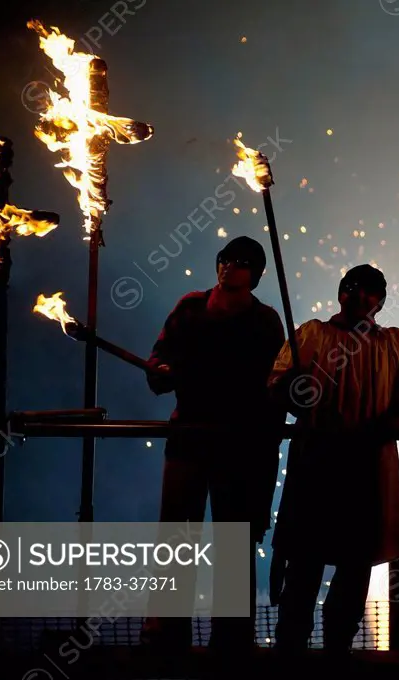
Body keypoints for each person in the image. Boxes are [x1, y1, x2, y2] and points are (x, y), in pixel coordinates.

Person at [267, 264, 399, 659]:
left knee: (354, 567)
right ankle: (290, 651)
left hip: (367, 464)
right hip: (315, 461)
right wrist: (294, 390)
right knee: (304, 564)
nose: (360, 296)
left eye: (370, 291)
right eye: (353, 288)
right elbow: (278, 384)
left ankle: (336, 650)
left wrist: (388, 423)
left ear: (380, 302)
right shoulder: (311, 334)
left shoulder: (395, 344)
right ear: (341, 293)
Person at [142, 235, 286, 654]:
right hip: (188, 436)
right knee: (175, 537)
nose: (229, 266)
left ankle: (232, 639)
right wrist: (161, 370)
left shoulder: (264, 322)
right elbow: (158, 357)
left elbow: (274, 389)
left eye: (240, 262)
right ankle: (166, 635)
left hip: (238, 445)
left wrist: (264, 455)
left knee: (234, 542)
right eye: (225, 259)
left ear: (255, 275)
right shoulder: (189, 308)